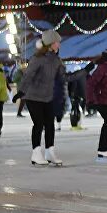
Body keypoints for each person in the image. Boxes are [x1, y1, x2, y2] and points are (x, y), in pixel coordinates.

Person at [18, 30, 67, 166]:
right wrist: (21, 91)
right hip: (33, 97)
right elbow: (28, 76)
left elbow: (63, 77)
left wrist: (84, 72)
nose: (59, 45)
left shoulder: (56, 60)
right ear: (50, 43)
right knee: (39, 124)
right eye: (57, 43)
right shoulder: (37, 58)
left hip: (47, 97)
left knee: (50, 125)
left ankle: (50, 152)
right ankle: (36, 153)